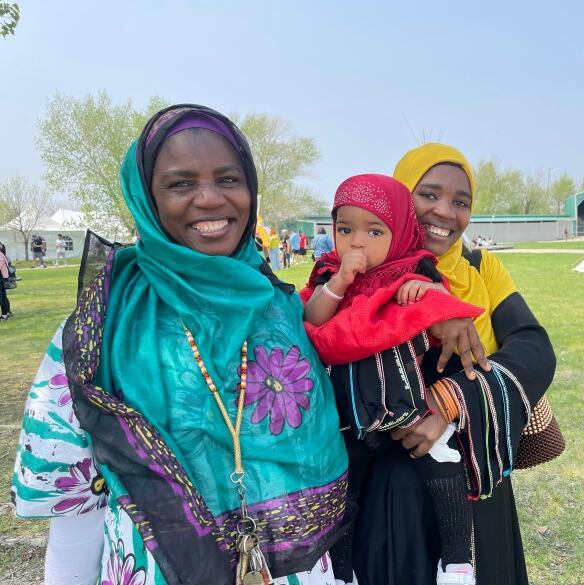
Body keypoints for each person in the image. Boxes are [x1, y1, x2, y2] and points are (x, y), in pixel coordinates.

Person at [12, 105, 349, 585]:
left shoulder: (285, 309)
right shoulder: (100, 327)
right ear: (146, 197)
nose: (210, 199)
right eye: (181, 183)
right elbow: (75, 510)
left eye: (228, 179)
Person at [348, 144, 557, 585]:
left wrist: (450, 399)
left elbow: (534, 347)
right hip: (398, 484)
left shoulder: (481, 268)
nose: (444, 212)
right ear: (401, 198)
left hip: (478, 470)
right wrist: (431, 310)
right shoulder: (369, 270)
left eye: (460, 202)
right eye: (428, 195)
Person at [300, 174, 487, 584]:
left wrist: (424, 290)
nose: (357, 242)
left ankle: (457, 562)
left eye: (374, 230)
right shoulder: (329, 270)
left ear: (400, 232)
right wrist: (339, 284)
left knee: (443, 465)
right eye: (345, 229)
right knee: (342, 488)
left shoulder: (413, 266)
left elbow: (444, 308)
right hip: (349, 415)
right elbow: (312, 320)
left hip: (404, 405)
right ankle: (341, 572)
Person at [0, 242, 12, 320]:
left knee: (2, 298)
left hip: (2, 278)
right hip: (3, 278)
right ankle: (6, 313)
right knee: (3, 297)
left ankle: (5, 314)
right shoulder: (1, 254)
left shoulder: (0, 256)